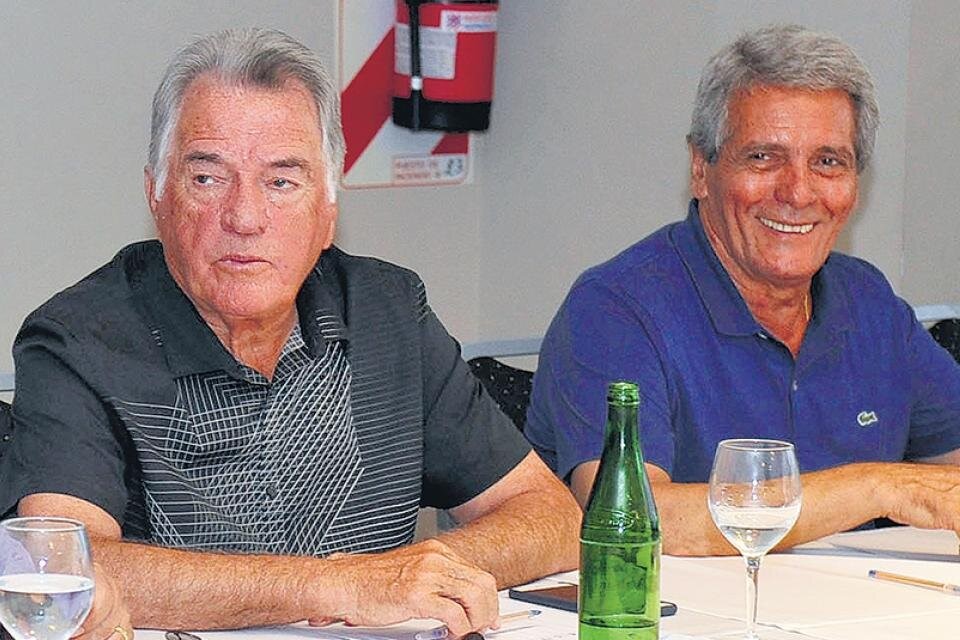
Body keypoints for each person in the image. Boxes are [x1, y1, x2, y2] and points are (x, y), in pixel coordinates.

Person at [2, 28, 579, 635]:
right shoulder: (77, 341)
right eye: (207, 179)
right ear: (157, 196)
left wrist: (418, 572)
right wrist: (338, 585)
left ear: (328, 212)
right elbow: (60, 568)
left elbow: (552, 517)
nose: (245, 217)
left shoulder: (387, 312)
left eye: (281, 181)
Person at [525, 24, 960, 556]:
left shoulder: (868, 301)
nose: (797, 192)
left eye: (827, 162)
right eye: (763, 158)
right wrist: (880, 486)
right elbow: (634, 517)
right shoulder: (615, 309)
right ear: (701, 169)